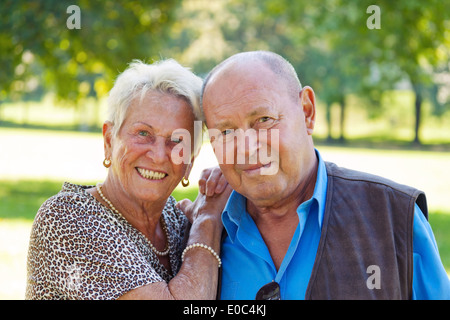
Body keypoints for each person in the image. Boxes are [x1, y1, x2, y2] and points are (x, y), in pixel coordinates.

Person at [201, 50, 450, 299]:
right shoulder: (200, 237)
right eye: (226, 132)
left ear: (307, 111)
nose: (246, 148)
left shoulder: (394, 216)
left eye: (264, 119)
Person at [26, 59, 231, 300]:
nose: (157, 155)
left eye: (177, 140)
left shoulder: (176, 222)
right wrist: (208, 220)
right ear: (109, 140)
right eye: (143, 133)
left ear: (190, 162)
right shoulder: (67, 219)